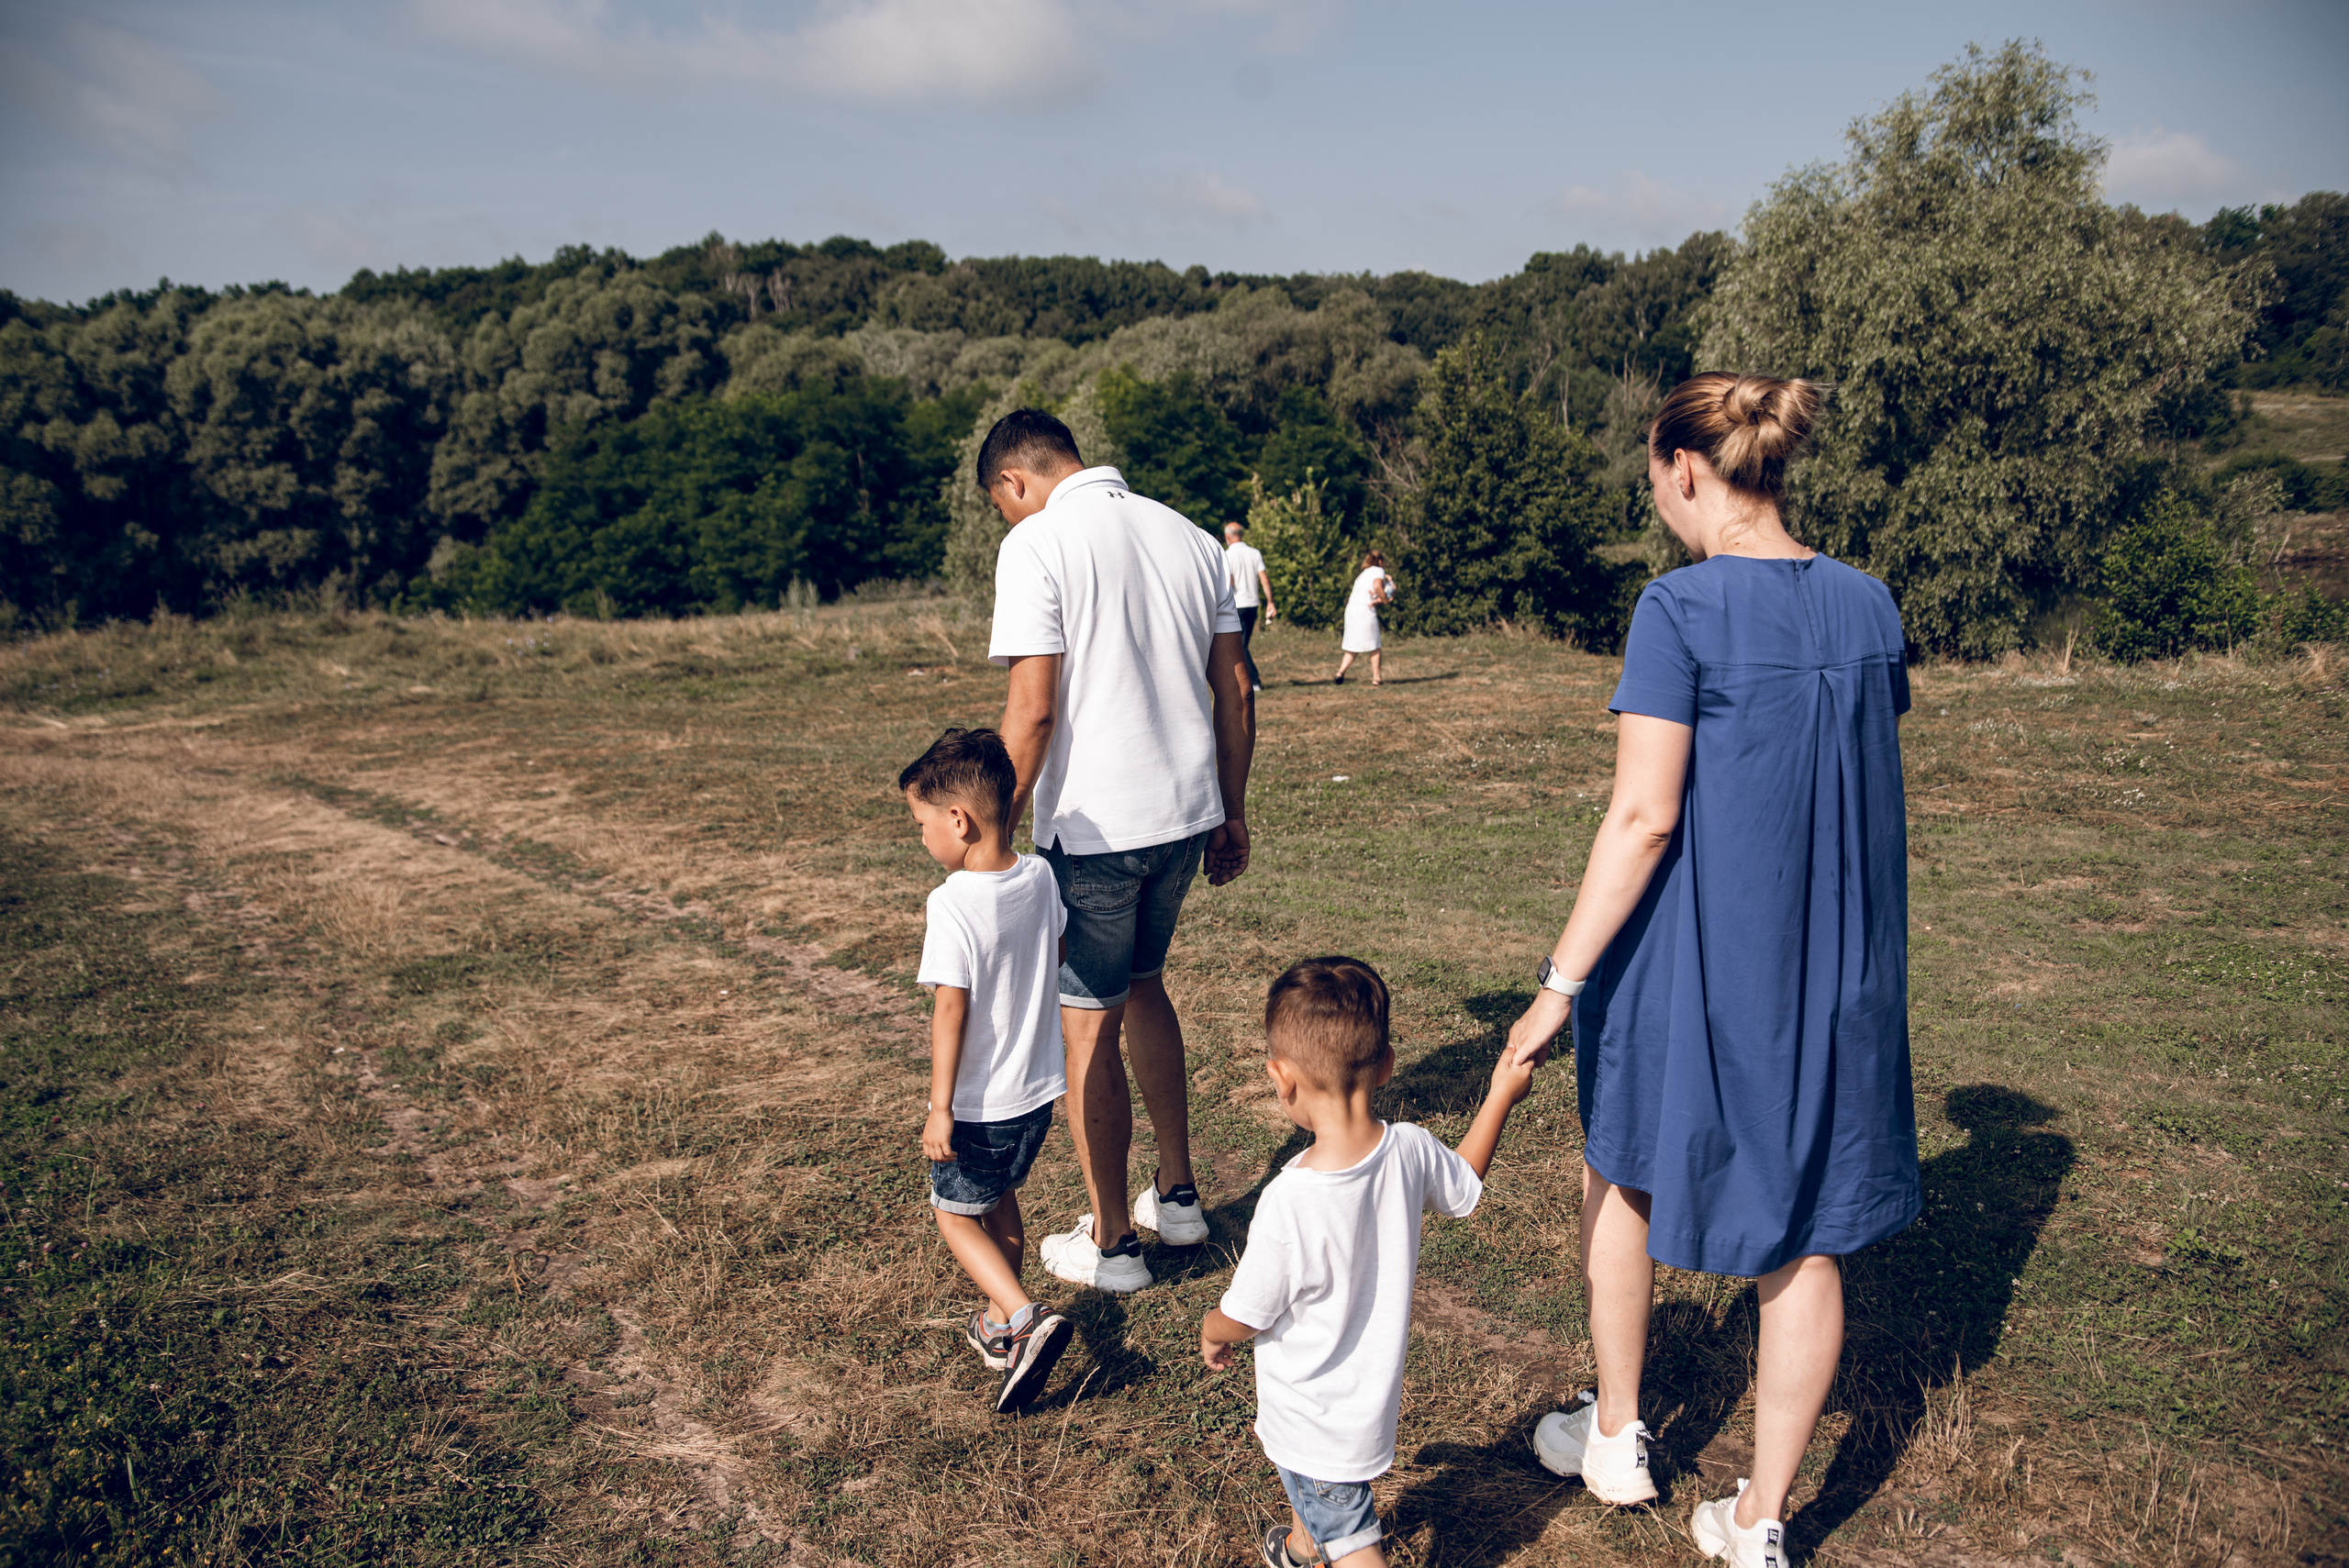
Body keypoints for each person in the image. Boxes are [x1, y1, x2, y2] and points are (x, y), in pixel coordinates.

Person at [1504, 373, 1919, 1566]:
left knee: (1621, 1167)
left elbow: (1643, 818)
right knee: (1811, 1229)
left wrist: (1560, 983)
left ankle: (1621, 1434)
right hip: (1841, 962)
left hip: (1697, 952)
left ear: (1686, 468)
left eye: (1653, 477)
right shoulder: (1868, 605)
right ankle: (1761, 1519)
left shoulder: (1676, 611)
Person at [980, 409, 1256, 1294]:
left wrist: (993, 837)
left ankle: (1109, 1243)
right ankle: (1177, 1196)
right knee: (1145, 985)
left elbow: (1031, 711)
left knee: (1086, 1019)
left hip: (1096, 830)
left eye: (1002, 507)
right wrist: (1232, 808)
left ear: (1015, 482)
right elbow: (1236, 688)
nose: (1008, 523)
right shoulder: (1188, 535)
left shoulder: (1036, 544)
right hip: (1184, 816)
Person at [1201, 957, 1539, 1568]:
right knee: (1319, 1497)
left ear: (1281, 1078)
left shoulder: (1289, 1198)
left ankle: (1324, 1544)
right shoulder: (1409, 1149)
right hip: (1364, 1407)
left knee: (1353, 1534)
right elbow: (1464, 1181)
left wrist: (1211, 1328)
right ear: (1387, 1063)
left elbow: (1249, 1310)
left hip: (1314, 1417)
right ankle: (1304, 1547)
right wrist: (1500, 1093)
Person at [900, 727, 1076, 1412]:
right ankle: (1000, 1323)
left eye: (920, 823)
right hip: (1036, 1095)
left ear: (959, 820)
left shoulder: (951, 902)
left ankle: (1025, 1316)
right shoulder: (1038, 874)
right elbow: (1057, 946)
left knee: (954, 1216)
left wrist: (940, 1104)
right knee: (999, 1197)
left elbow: (951, 1009)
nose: (920, 838)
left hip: (978, 1103)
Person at [1224, 519, 1276, 693]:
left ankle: (1254, 680)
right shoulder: (1254, 553)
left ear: (1228, 537)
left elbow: (1229, 583)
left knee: (1240, 644)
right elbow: (1264, 579)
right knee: (1243, 643)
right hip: (1253, 603)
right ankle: (1248, 680)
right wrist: (1270, 602)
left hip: (1238, 603)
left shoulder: (1227, 555)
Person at [1333, 551, 1394, 686]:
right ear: (1379, 561)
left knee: (1353, 644)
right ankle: (1376, 678)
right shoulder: (1378, 571)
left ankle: (1340, 673)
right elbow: (1377, 586)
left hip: (1351, 609)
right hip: (1364, 610)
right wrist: (1385, 600)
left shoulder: (1364, 573)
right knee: (1375, 645)